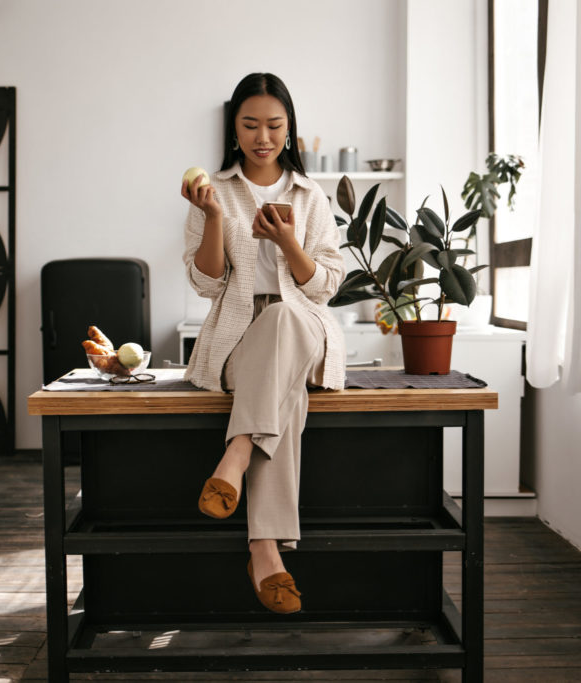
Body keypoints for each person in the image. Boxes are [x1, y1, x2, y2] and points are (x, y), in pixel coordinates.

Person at [180, 72, 346, 614]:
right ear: (234, 130)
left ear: (290, 129)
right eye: (250, 124)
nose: (263, 136)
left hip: (302, 324)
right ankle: (264, 549)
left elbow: (324, 285)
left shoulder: (310, 194)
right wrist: (211, 218)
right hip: (237, 336)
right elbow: (206, 283)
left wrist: (287, 243)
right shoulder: (216, 191)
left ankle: (238, 450)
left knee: (284, 319)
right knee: (286, 395)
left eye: (275, 125)